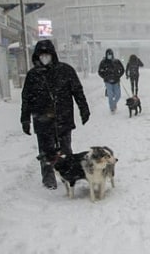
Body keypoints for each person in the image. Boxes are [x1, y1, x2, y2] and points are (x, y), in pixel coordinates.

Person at [20, 39, 90, 190]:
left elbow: (77, 91)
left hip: (63, 118)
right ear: (37, 56)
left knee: (65, 149)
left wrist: (84, 109)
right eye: (41, 55)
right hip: (42, 119)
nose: (44, 57)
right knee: (45, 151)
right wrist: (25, 119)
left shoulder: (66, 70)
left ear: (53, 54)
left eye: (47, 54)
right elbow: (26, 99)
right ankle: (48, 179)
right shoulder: (33, 75)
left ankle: (68, 174)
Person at [98, 48, 125, 113]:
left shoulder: (116, 61)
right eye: (108, 54)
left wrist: (119, 75)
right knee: (110, 95)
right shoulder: (103, 62)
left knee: (118, 95)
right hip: (108, 81)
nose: (109, 55)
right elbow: (100, 71)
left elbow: (122, 69)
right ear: (106, 55)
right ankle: (112, 108)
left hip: (116, 81)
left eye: (110, 54)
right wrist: (104, 77)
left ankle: (114, 104)